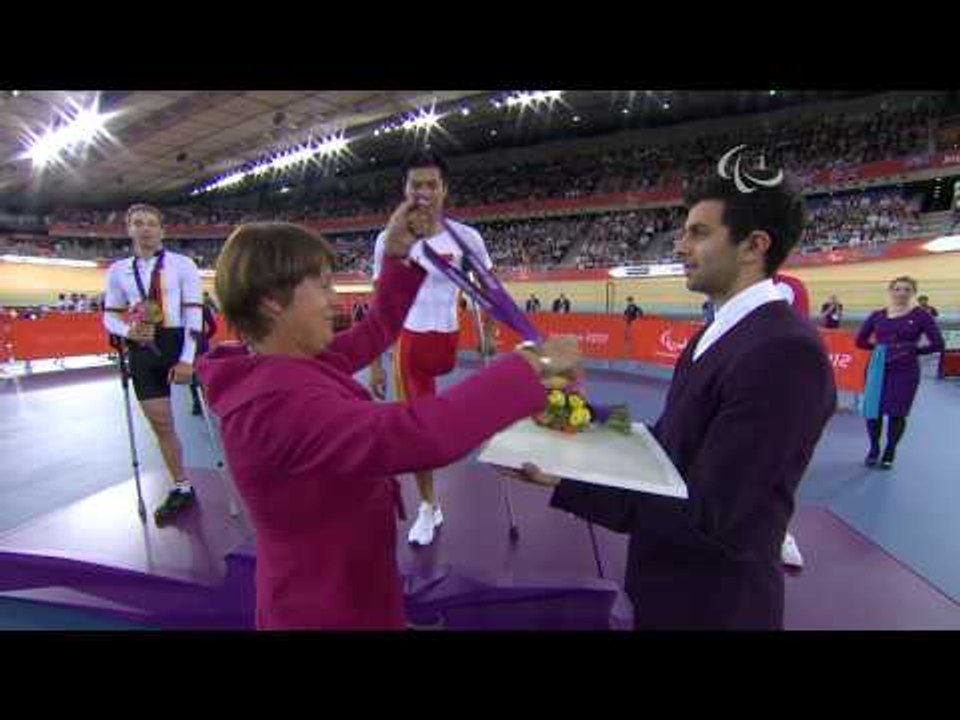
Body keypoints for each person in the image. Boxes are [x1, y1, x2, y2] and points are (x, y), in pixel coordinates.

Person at [195, 216, 580, 629]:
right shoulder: (272, 407)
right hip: (323, 610)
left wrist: (399, 258)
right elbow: (416, 435)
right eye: (323, 285)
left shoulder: (290, 365)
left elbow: (376, 330)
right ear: (273, 299)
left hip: (352, 586)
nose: (334, 299)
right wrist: (525, 370)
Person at [503, 172, 837, 630]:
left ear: (754, 246)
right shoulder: (720, 333)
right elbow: (668, 445)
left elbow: (708, 518)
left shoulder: (785, 353)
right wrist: (574, 413)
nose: (679, 247)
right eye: (682, 233)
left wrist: (566, 478)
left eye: (698, 233)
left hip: (715, 606)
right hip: (669, 588)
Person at [368, 152, 497, 547]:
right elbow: (380, 304)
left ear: (444, 189)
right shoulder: (389, 241)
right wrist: (376, 361)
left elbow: (491, 289)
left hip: (447, 341)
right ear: (405, 191)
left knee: (453, 418)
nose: (423, 192)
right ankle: (429, 506)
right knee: (417, 429)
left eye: (430, 185)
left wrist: (490, 334)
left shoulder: (465, 238)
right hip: (410, 343)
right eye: (415, 185)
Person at [103, 204, 204, 526]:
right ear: (128, 229)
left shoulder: (182, 264)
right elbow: (110, 313)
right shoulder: (118, 269)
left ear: (162, 230)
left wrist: (188, 359)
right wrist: (126, 329)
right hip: (143, 347)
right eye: (137, 223)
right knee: (161, 424)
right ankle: (181, 486)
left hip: (177, 342)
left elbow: (194, 313)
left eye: (151, 224)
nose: (145, 229)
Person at [855, 276, 944, 469]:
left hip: (906, 371)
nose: (901, 293)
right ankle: (874, 449)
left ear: (913, 292)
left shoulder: (921, 316)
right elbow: (860, 341)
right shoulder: (877, 315)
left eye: (906, 289)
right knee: (873, 411)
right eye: (897, 289)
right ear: (891, 291)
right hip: (878, 369)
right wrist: (879, 349)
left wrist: (912, 350)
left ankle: (890, 450)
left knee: (897, 413)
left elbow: (938, 343)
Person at [189, 291, 219, 416]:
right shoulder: (203, 307)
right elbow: (213, 327)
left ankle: (197, 403)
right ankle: (206, 400)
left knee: (192, 373)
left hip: (188, 344)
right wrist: (206, 337)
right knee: (202, 373)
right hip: (202, 344)